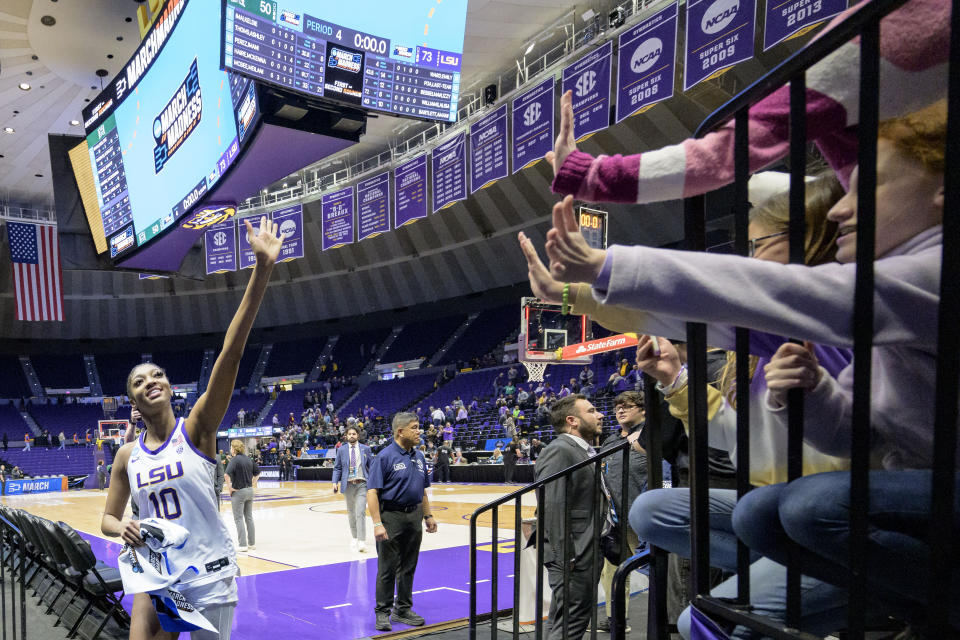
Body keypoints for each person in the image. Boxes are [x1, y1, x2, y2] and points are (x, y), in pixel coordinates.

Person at [101, 216, 284, 639]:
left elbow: (231, 354)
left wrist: (262, 271)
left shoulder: (198, 428)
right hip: (159, 578)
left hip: (207, 578)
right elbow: (109, 518)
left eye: (157, 374)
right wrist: (122, 528)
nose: (151, 381)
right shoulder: (127, 456)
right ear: (133, 401)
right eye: (139, 380)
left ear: (169, 386)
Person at [535, 394, 607, 640]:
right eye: (592, 410)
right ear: (572, 420)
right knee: (573, 622)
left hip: (581, 549)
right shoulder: (560, 450)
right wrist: (566, 557)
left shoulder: (580, 449)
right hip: (572, 554)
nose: (600, 415)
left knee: (563, 619)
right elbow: (552, 507)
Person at [366, 412, 438, 631]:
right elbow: (372, 492)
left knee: (408, 566)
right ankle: (382, 612)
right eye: (415, 427)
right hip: (391, 517)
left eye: (419, 427)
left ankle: (403, 609)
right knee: (387, 568)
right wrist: (377, 523)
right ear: (400, 431)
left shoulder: (418, 456)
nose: (419, 431)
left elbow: (423, 490)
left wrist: (428, 515)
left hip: (414, 517)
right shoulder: (385, 457)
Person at [596, 391, 647, 631]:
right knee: (614, 570)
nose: (620, 411)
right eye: (617, 407)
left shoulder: (651, 436)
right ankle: (616, 619)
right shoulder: (610, 441)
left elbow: (667, 474)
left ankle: (669, 619)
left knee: (660, 568)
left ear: (643, 410)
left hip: (643, 516)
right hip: (615, 519)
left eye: (627, 406)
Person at [333, 426, 373, 552]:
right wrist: (335, 481)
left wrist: (374, 483)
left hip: (362, 483)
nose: (351, 436)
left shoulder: (366, 449)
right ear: (346, 436)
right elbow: (337, 467)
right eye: (349, 434)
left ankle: (362, 541)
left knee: (360, 512)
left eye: (354, 434)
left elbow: (371, 466)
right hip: (348, 484)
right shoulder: (341, 450)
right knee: (351, 513)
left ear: (358, 436)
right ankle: (354, 537)